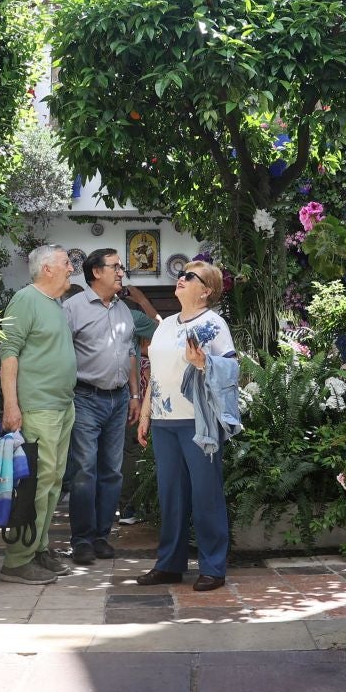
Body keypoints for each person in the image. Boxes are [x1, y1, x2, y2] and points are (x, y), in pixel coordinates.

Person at [135, 263, 238, 592]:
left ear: (206, 290)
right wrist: (146, 414)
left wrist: (204, 362)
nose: (181, 278)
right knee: (171, 496)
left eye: (190, 276)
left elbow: (232, 368)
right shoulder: (165, 326)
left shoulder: (214, 324)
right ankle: (169, 565)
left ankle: (213, 567)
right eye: (181, 274)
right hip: (164, 421)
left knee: (206, 494)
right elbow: (155, 372)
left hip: (199, 420)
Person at [0, 244, 78, 584]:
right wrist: (11, 405)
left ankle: (38, 547)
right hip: (38, 407)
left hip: (62, 406)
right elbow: (9, 353)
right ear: (47, 269)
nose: (71, 268)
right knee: (35, 485)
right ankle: (18, 560)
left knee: (53, 483)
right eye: (66, 263)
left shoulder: (54, 303)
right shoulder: (25, 300)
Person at [60, 250, 144, 565]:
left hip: (119, 399)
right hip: (85, 397)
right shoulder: (73, 308)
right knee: (85, 471)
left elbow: (131, 353)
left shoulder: (123, 309)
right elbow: (60, 352)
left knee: (112, 471)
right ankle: (81, 540)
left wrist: (134, 395)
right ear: (96, 272)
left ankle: (101, 537)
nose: (121, 272)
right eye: (116, 267)